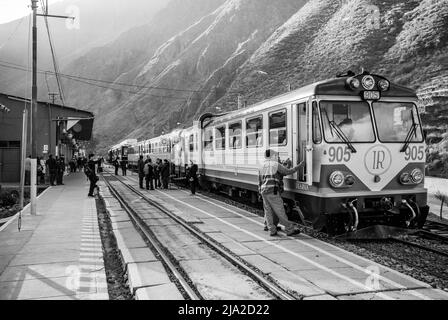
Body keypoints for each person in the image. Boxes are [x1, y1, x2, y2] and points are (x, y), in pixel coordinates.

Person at [258, 149, 303, 236]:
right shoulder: (275, 164)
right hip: (273, 191)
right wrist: (299, 166)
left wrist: (260, 192)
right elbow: (287, 171)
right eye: (276, 156)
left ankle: (272, 230)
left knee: (268, 211)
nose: (277, 157)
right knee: (280, 211)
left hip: (264, 191)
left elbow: (259, 181)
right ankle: (290, 229)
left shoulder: (261, 166)